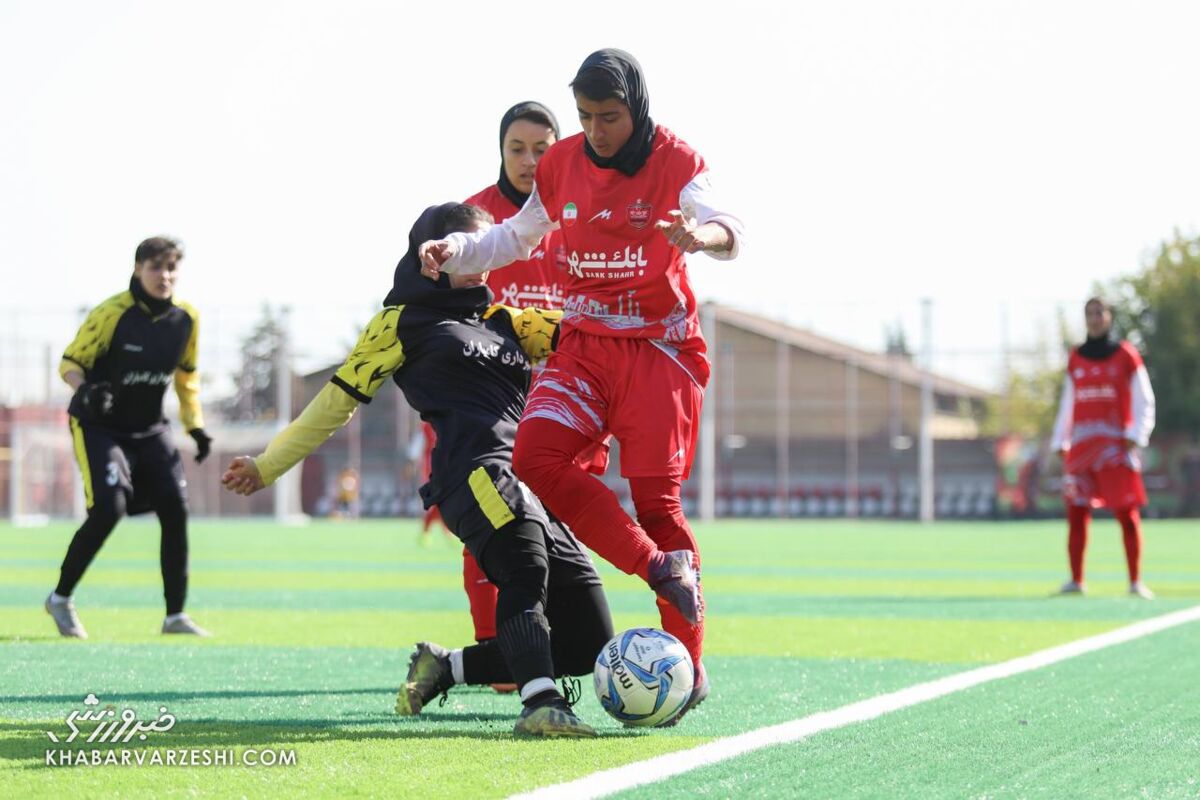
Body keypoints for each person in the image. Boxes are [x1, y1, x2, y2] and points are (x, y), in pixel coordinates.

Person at [223, 203, 658, 737]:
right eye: (464, 247)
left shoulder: (506, 322)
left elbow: (588, 334)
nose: (479, 258)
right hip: (472, 473)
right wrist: (268, 464)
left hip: (532, 479)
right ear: (432, 256)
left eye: (485, 247)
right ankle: (541, 706)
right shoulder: (401, 321)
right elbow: (336, 402)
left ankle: (444, 667)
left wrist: (644, 289)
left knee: (589, 640)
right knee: (525, 569)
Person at [418, 48, 745, 723]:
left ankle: (688, 663)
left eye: (610, 117)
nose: (596, 131)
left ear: (638, 109)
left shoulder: (677, 162)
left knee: (658, 501)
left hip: (660, 351)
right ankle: (657, 567)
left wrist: (701, 236)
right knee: (533, 459)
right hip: (586, 346)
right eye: (587, 117)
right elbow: (513, 237)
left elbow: (728, 227)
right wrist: (460, 252)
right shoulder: (563, 163)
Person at [46, 236, 213, 639]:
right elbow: (70, 363)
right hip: (100, 427)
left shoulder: (186, 318)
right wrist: (84, 389)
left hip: (151, 427)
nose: (164, 276)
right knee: (110, 507)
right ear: (138, 269)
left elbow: (186, 378)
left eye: (171, 268)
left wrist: (195, 426)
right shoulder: (111, 313)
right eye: (156, 267)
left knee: (176, 506)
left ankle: (175, 616)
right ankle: (60, 598)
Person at [1051, 297, 1156, 598]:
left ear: (1109, 317)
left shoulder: (1125, 354)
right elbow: (1067, 403)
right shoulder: (1076, 358)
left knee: (1126, 513)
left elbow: (1144, 398)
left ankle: (1135, 581)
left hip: (1116, 448)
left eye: (1100, 313)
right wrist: (1061, 440)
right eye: (1089, 314)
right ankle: (1076, 580)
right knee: (1076, 514)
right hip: (1082, 449)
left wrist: (1138, 433)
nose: (1095, 318)